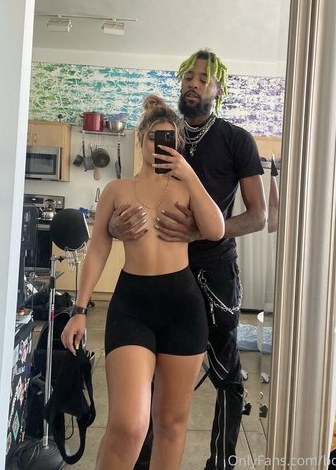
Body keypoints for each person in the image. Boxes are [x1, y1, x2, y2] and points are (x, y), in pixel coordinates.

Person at [108, 50, 267, 470]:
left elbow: (258, 216)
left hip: (214, 272)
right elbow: (130, 202)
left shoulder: (236, 140)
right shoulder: (164, 133)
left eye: (203, 79)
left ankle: (221, 463)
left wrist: (200, 231)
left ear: (218, 89)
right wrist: (114, 227)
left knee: (226, 374)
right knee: (148, 379)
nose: (193, 84)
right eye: (188, 77)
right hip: (158, 276)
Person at [61, 96, 225, 470]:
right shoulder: (117, 190)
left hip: (184, 309)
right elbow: (97, 251)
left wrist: (189, 174)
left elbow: (216, 229)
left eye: (170, 139)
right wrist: (80, 309)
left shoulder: (186, 188)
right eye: (154, 137)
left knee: (171, 424)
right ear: (141, 139)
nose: (160, 145)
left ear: (178, 144)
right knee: (130, 425)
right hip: (132, 306)